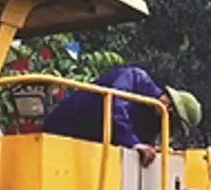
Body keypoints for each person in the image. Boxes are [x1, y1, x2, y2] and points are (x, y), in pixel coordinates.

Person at [41, 64, 202, 166]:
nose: (170, 131)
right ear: (169, 108)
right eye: (174, 125)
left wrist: (151, 150)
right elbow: (116, 107)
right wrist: (134, 143)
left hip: (86, 151)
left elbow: (144, 143)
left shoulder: (153, 120)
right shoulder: (134, 78)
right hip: (61, 131)